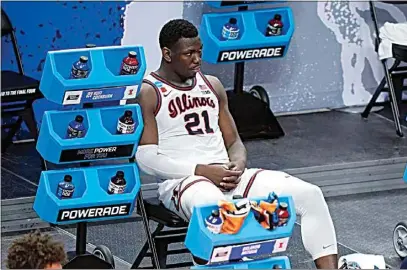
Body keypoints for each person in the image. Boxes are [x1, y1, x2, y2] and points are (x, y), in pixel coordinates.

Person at [132, 19, 338, 269]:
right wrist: (203, 172)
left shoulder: (212, 84)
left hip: (228, 175)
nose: (197, 59)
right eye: (188, 54)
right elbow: (146, 157)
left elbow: (235, 142)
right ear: (167, 54)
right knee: (219, 210)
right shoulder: (150, 91)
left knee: (310, 195)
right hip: (183, 182)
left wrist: (238, 165)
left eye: (199, 52)